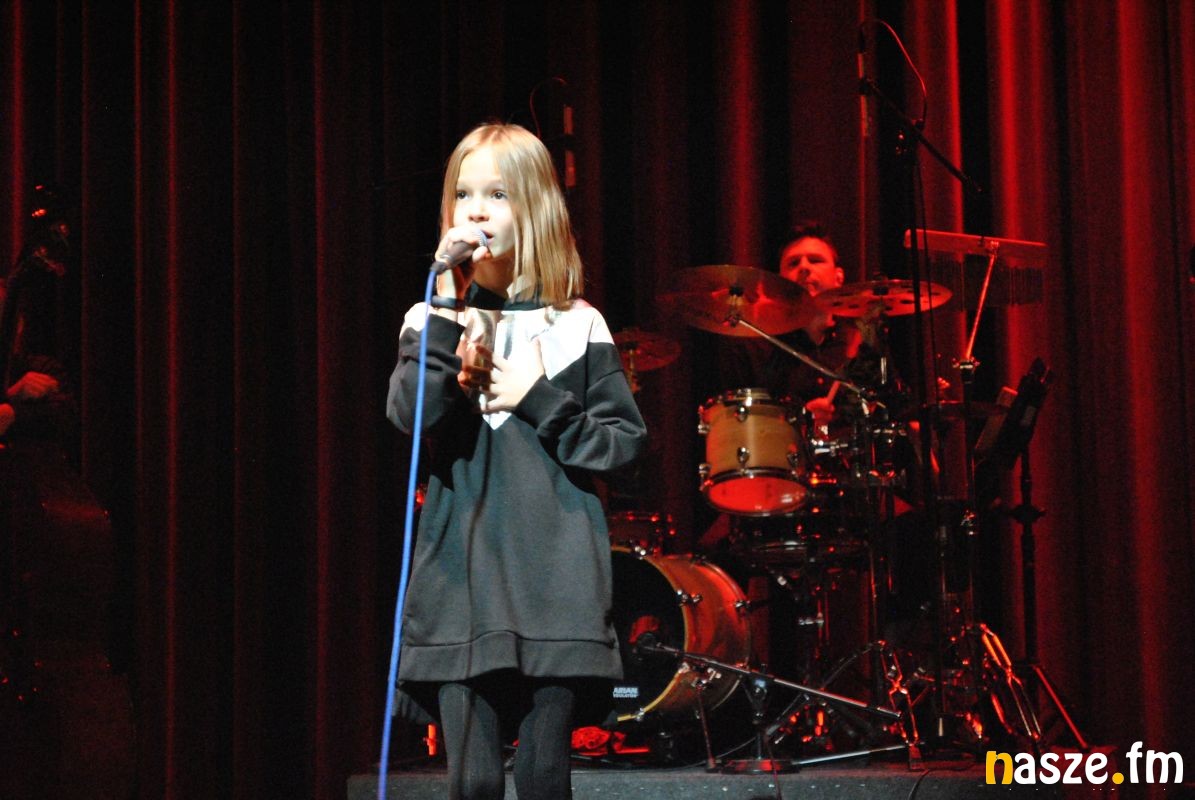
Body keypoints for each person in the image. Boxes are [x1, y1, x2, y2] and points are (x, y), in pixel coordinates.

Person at [386, 122, 647, 800]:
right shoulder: (430, 318)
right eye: (463, 194)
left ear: (534, 207)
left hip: (556, 582)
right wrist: (447, 306)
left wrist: (540, 400)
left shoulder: (577, 323)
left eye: (497, 194)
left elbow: (624, 448)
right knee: (472, 782)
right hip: (461, 582)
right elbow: (413, 418)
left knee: (542, 778)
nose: (475, 211)